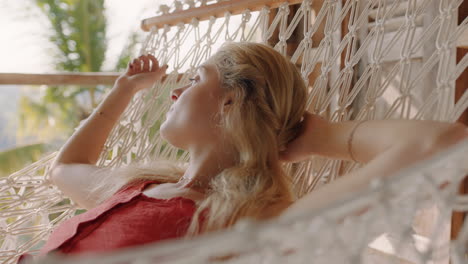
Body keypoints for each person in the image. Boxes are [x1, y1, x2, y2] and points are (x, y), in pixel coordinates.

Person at [18, 42, 468, 263]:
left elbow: (442, 143)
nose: (175, 92)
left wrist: (321, 136)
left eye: (195, 79)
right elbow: (67, 169)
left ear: (231, 101)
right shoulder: (139, 188)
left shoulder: (248, 228)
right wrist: (123, 92)